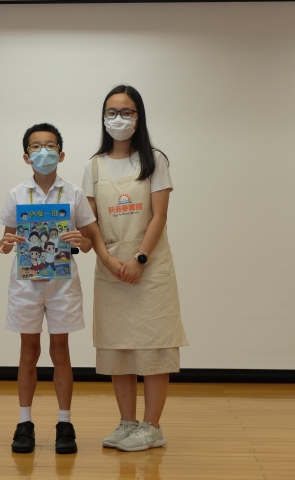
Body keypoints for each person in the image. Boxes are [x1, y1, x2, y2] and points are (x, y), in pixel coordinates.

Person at [81, 85, 189, 452]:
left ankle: (152, 427)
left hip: (150, 267)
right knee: (119, 350)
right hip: (110, 268)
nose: (118, 118)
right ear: (103, 117)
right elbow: (90, 222)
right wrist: (107, 260)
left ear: (138, 117)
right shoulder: (93, 165)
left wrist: (140, 259)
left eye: (126, 112)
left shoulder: (154, 160)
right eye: (111, 112)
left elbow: (159, 216)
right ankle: (127, 423)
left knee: (154, 348)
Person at [0, 122, 108, 454]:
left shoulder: (73, 194)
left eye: (49, 146)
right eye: (35, 146)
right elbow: (5, 242)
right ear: (25, 156)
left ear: (61, 154)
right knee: (28, 351)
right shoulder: (17, 194)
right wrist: (6, 243)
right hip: (26, 283)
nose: (42, 151)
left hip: (62, 283)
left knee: (61, 351)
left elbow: (88, 242)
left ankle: (64, 423)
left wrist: (80, 240)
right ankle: (24, 422)